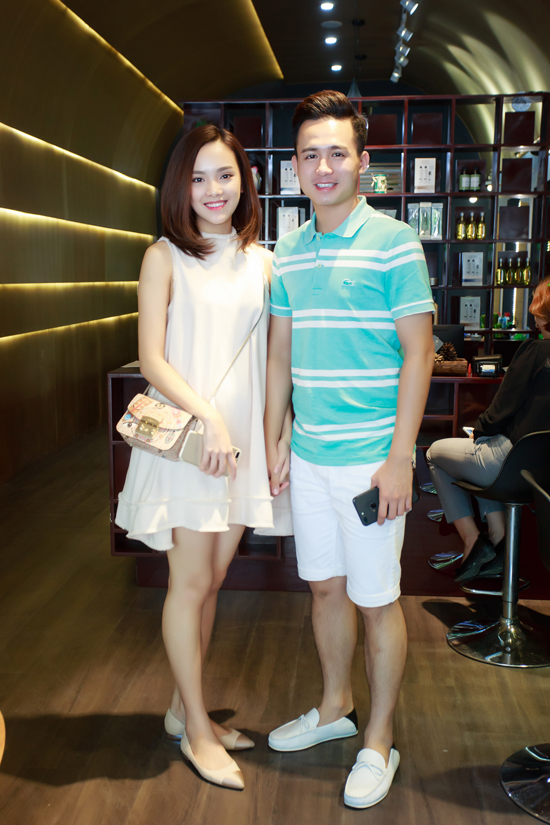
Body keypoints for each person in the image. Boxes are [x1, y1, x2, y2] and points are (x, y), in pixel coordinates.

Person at [264, 90, 435, 810]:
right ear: (296, 166)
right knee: (325, 588)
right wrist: (275, 435)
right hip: (309, 457)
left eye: (338, 152)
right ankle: (335, 706)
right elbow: (279, 354)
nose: (324, 167)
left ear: (363, 161)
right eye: (311, 155)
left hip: (371, 462)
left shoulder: (394, 241)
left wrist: (401, 457)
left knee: (376, 600)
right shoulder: (287, 250)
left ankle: (379, 737)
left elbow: (419, 352)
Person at [116, 125, 290, 791]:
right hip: (191, 445)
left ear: (245, 180)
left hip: (241, 447)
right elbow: (152, 359)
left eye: (225, 175)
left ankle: (180, 708)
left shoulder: (264, 262)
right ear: (179, 187)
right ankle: (195, 727)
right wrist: (211, 418)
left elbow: (274, 360)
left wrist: (276, 436)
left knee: (212, 581)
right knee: (188, 583)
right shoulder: (163, 257)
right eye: (198, 177)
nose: (214, 190)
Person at [427, 277, 550, 582]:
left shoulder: (534, 351)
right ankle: (498, 537)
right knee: (484, 445)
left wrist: (478, 431)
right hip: (542, 476)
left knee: (434, 454)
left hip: (511, 465)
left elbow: (501, 409)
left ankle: (473, 541)